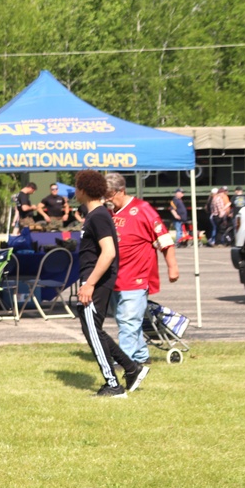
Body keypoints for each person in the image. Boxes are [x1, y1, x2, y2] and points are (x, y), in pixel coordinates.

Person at [73, 170, 147, 397]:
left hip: (95, 281)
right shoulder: (95, 215)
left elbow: (109, 253)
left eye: (76, 187)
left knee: (92, 330)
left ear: (83, 190)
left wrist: (89, 284)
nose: (75, 191)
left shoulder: (98, 216)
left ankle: (113, 385)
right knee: (93, 329)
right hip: (93, 280)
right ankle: (131, 367)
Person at [105, 173, 179, 367]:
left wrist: (172, 267)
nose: (107, 199)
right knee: (124, 320)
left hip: (137, 277)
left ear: (121, 191)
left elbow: (164, 239)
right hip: (116, 277)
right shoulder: (110, 212)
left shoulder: (143, 209)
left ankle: (125, 361)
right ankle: (141, 356)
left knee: (129, 320)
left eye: (110, 194)